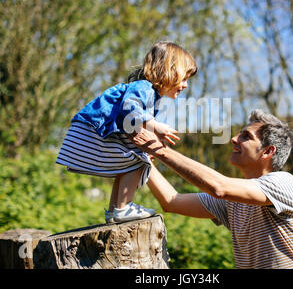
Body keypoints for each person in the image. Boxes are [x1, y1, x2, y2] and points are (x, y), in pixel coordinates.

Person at [130, 109, 293, 269]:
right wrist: (143, 159)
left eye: (246, 136)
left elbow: (218, 186)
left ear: (268, 151)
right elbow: (172, 201)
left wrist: (159, 150)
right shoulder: (234, 202)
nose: (234, 139)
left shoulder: (284, 183)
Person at [56, 41, 197, 223]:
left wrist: (151, 135)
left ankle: (115, 210)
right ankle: (123, 208)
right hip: (92, 132)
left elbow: (132, 122)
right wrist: (156, 126)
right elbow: (131, 110)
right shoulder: (144, 88)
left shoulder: (147, 93)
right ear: (168, 70)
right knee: (138, 161)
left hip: (88, 132)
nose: (185, 85)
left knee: (127, 165)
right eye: (184, 79)